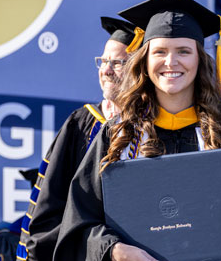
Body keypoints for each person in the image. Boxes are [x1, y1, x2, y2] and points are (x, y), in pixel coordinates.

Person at [53, 0, 221, 261]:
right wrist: (114, 250)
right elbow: (77, 228)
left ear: (199, 59)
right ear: (145, 62)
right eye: (160, 52)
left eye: (183, 51)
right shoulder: (117, 134)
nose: (171, 62)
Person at [16, 17, 141, 261]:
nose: (106, 70)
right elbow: (49, 205)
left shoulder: (153, 128)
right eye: (103, 61)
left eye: (118, 63)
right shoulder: (81, 123)